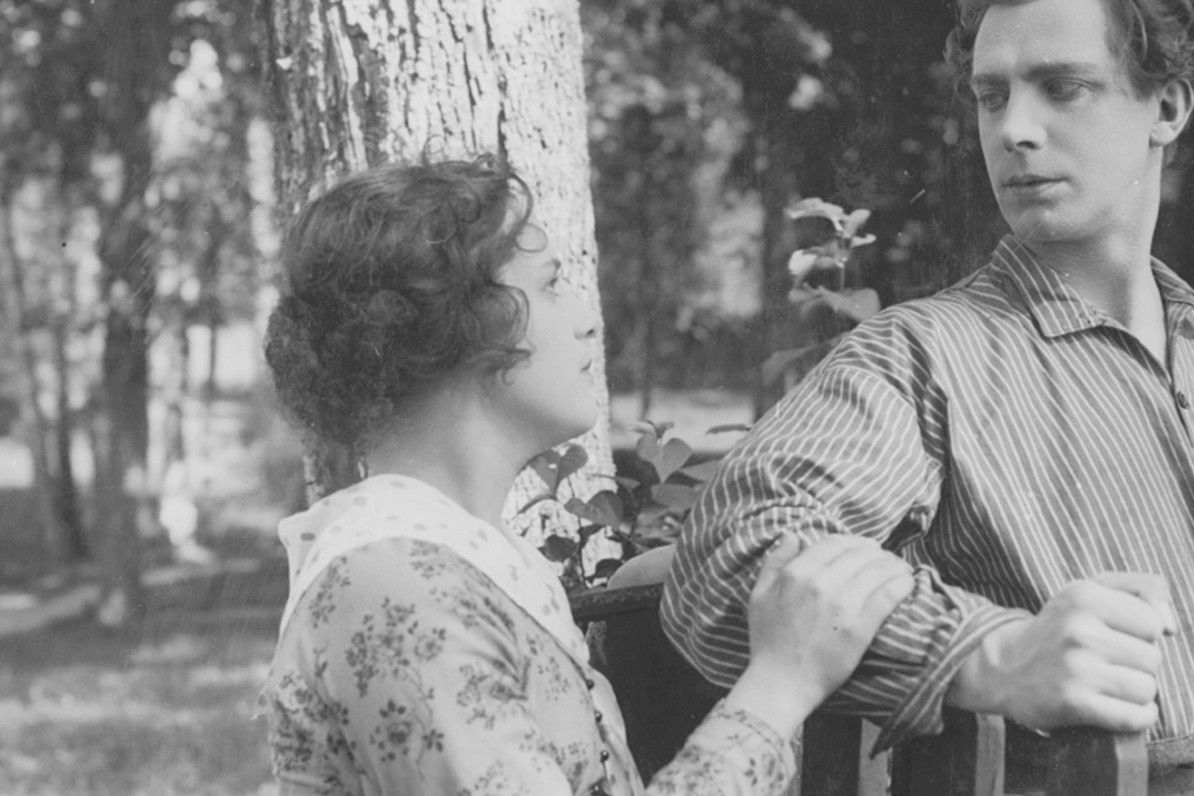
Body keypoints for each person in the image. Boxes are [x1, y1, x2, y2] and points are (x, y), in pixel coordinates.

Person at [662, 0, 1194, 793]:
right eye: (991, 96)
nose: (1014, 130)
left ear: (1167, 107)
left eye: (1062, 88)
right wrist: (991, 654)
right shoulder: (922, 359)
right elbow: (730, 561)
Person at [258, 156, 915, 796]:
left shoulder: (461, 563)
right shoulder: (397, 590)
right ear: (461, 323)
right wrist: (781, 683)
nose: (587, 319)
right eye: (550, 285)